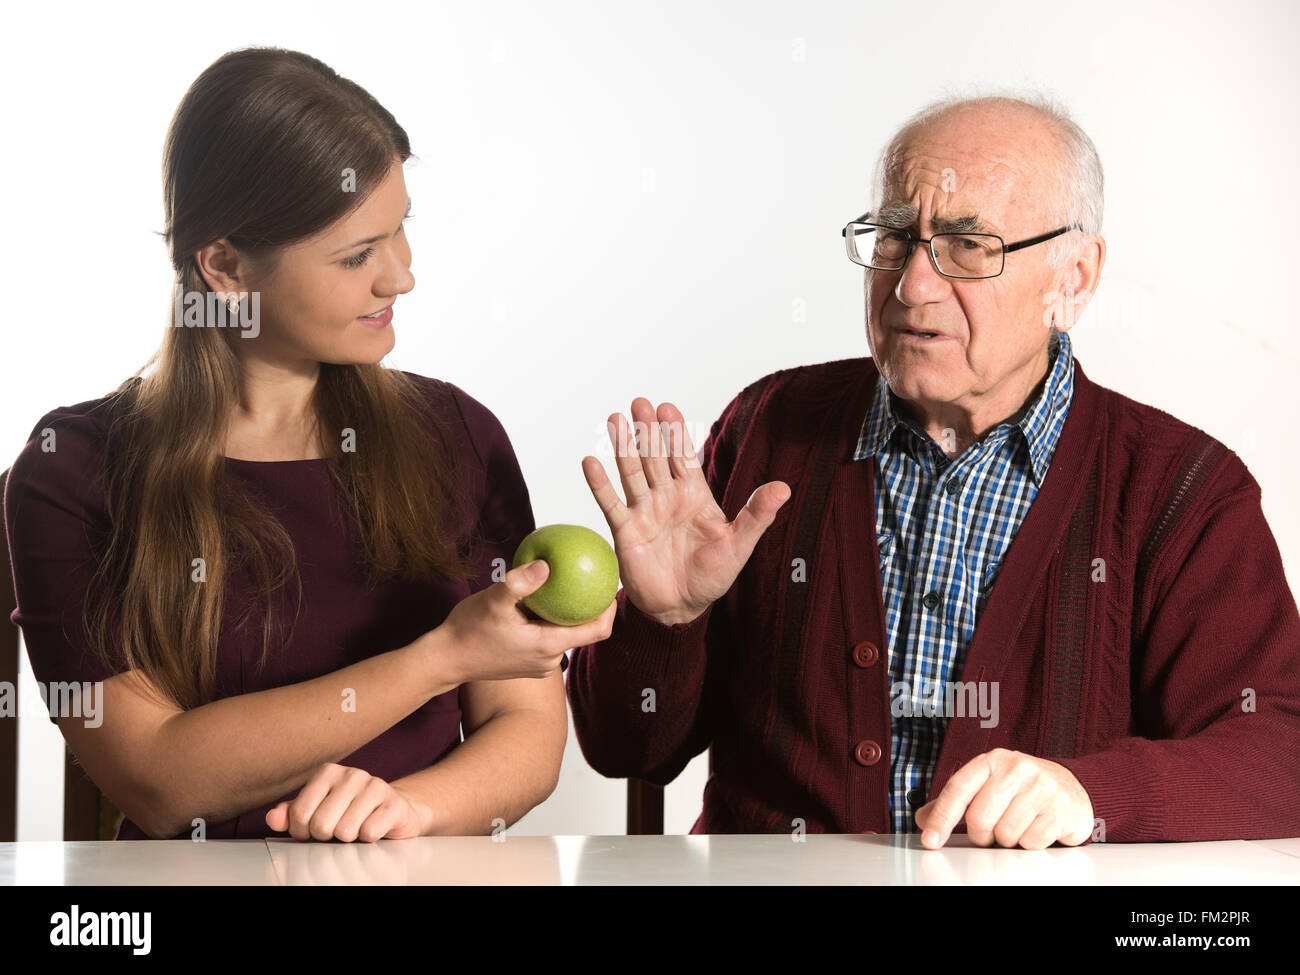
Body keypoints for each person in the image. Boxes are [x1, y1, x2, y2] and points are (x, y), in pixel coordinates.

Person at [567, 92, 1300, 848]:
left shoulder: (1180, 488)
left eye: (969, 246)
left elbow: (1281, 757)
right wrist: (665, 623)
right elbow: (627, 749)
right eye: (893, 238)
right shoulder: (770, 428)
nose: (913, 287)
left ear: (1073, 280)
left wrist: (1091, 793)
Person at [3, 46, 613, 842]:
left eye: (400, 233)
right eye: (357, 254)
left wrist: (415, 807)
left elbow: (525, 726)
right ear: (224, 265)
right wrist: (438, 658)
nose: (400, 277)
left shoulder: (458, 435)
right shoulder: (73, 468)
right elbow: (156, 778)